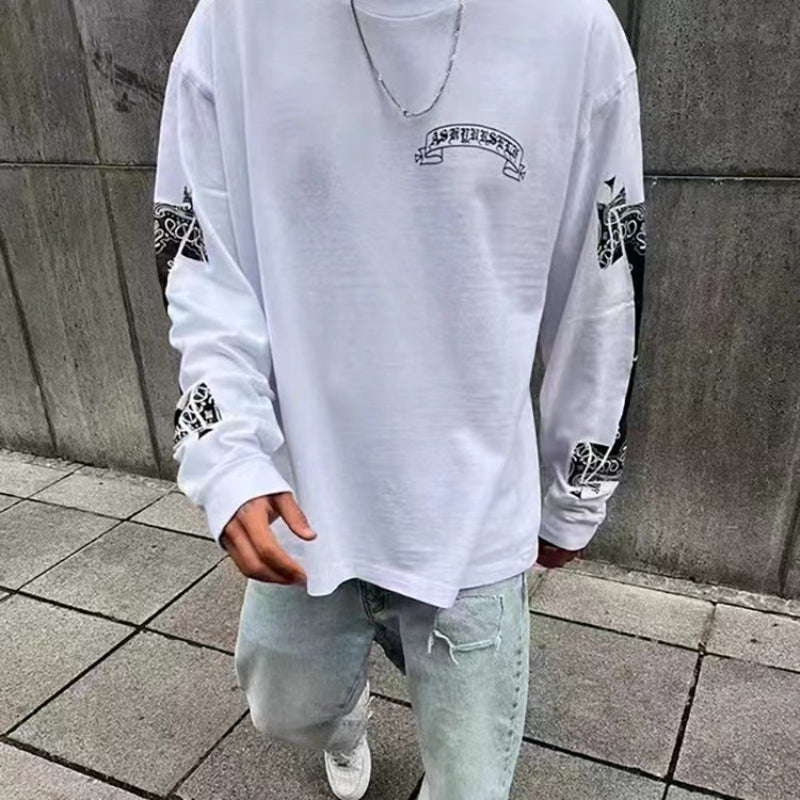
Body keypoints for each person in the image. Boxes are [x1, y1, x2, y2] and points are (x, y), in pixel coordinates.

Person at [153, 0, 646, 797]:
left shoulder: (571, 30)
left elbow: (601, 290)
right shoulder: (235, 21)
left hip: (475, 505)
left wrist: (574, 491)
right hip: (308, 492)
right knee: (284, 707)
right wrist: (227, 450)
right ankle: (347, 713)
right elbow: (203, 259)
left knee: (472, 784)